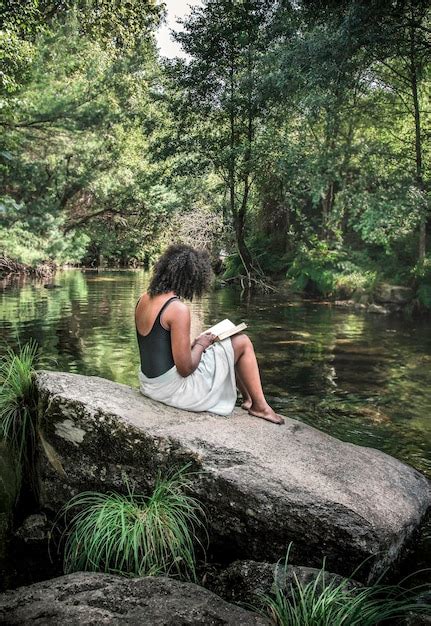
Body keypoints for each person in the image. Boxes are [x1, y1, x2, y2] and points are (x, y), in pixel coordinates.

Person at [135, 244, 284, 425]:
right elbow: (185, 369)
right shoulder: (177, 309)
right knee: (242, 342)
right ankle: (259, 406)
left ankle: (248, 400)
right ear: (191, 278)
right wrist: (200, 345)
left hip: (150, 385)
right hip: (174, 391)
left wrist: (197, 343)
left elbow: (158, 347)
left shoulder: (143, 298)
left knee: (225, 346)